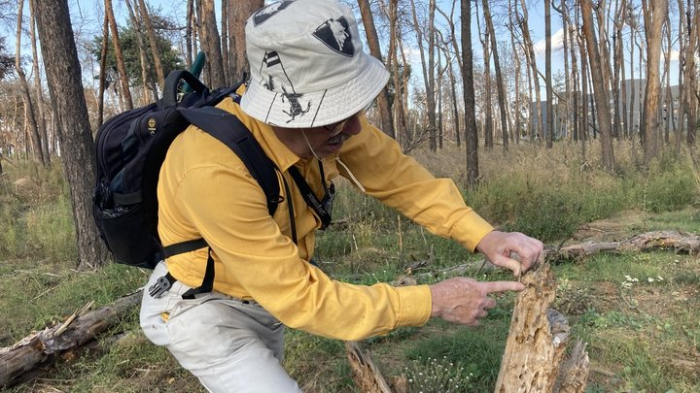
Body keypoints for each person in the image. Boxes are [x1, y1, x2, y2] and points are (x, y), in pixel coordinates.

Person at [140, 0, 544, 391]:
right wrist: (432, 301)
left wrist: (486, 236)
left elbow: (403, 180)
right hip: (203, 308)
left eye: (354, 106)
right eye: (334, 114)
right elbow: (300, 297)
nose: (353, 129)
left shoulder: (325, 128)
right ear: (281, 110)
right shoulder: (211, 170)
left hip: (263, 296)